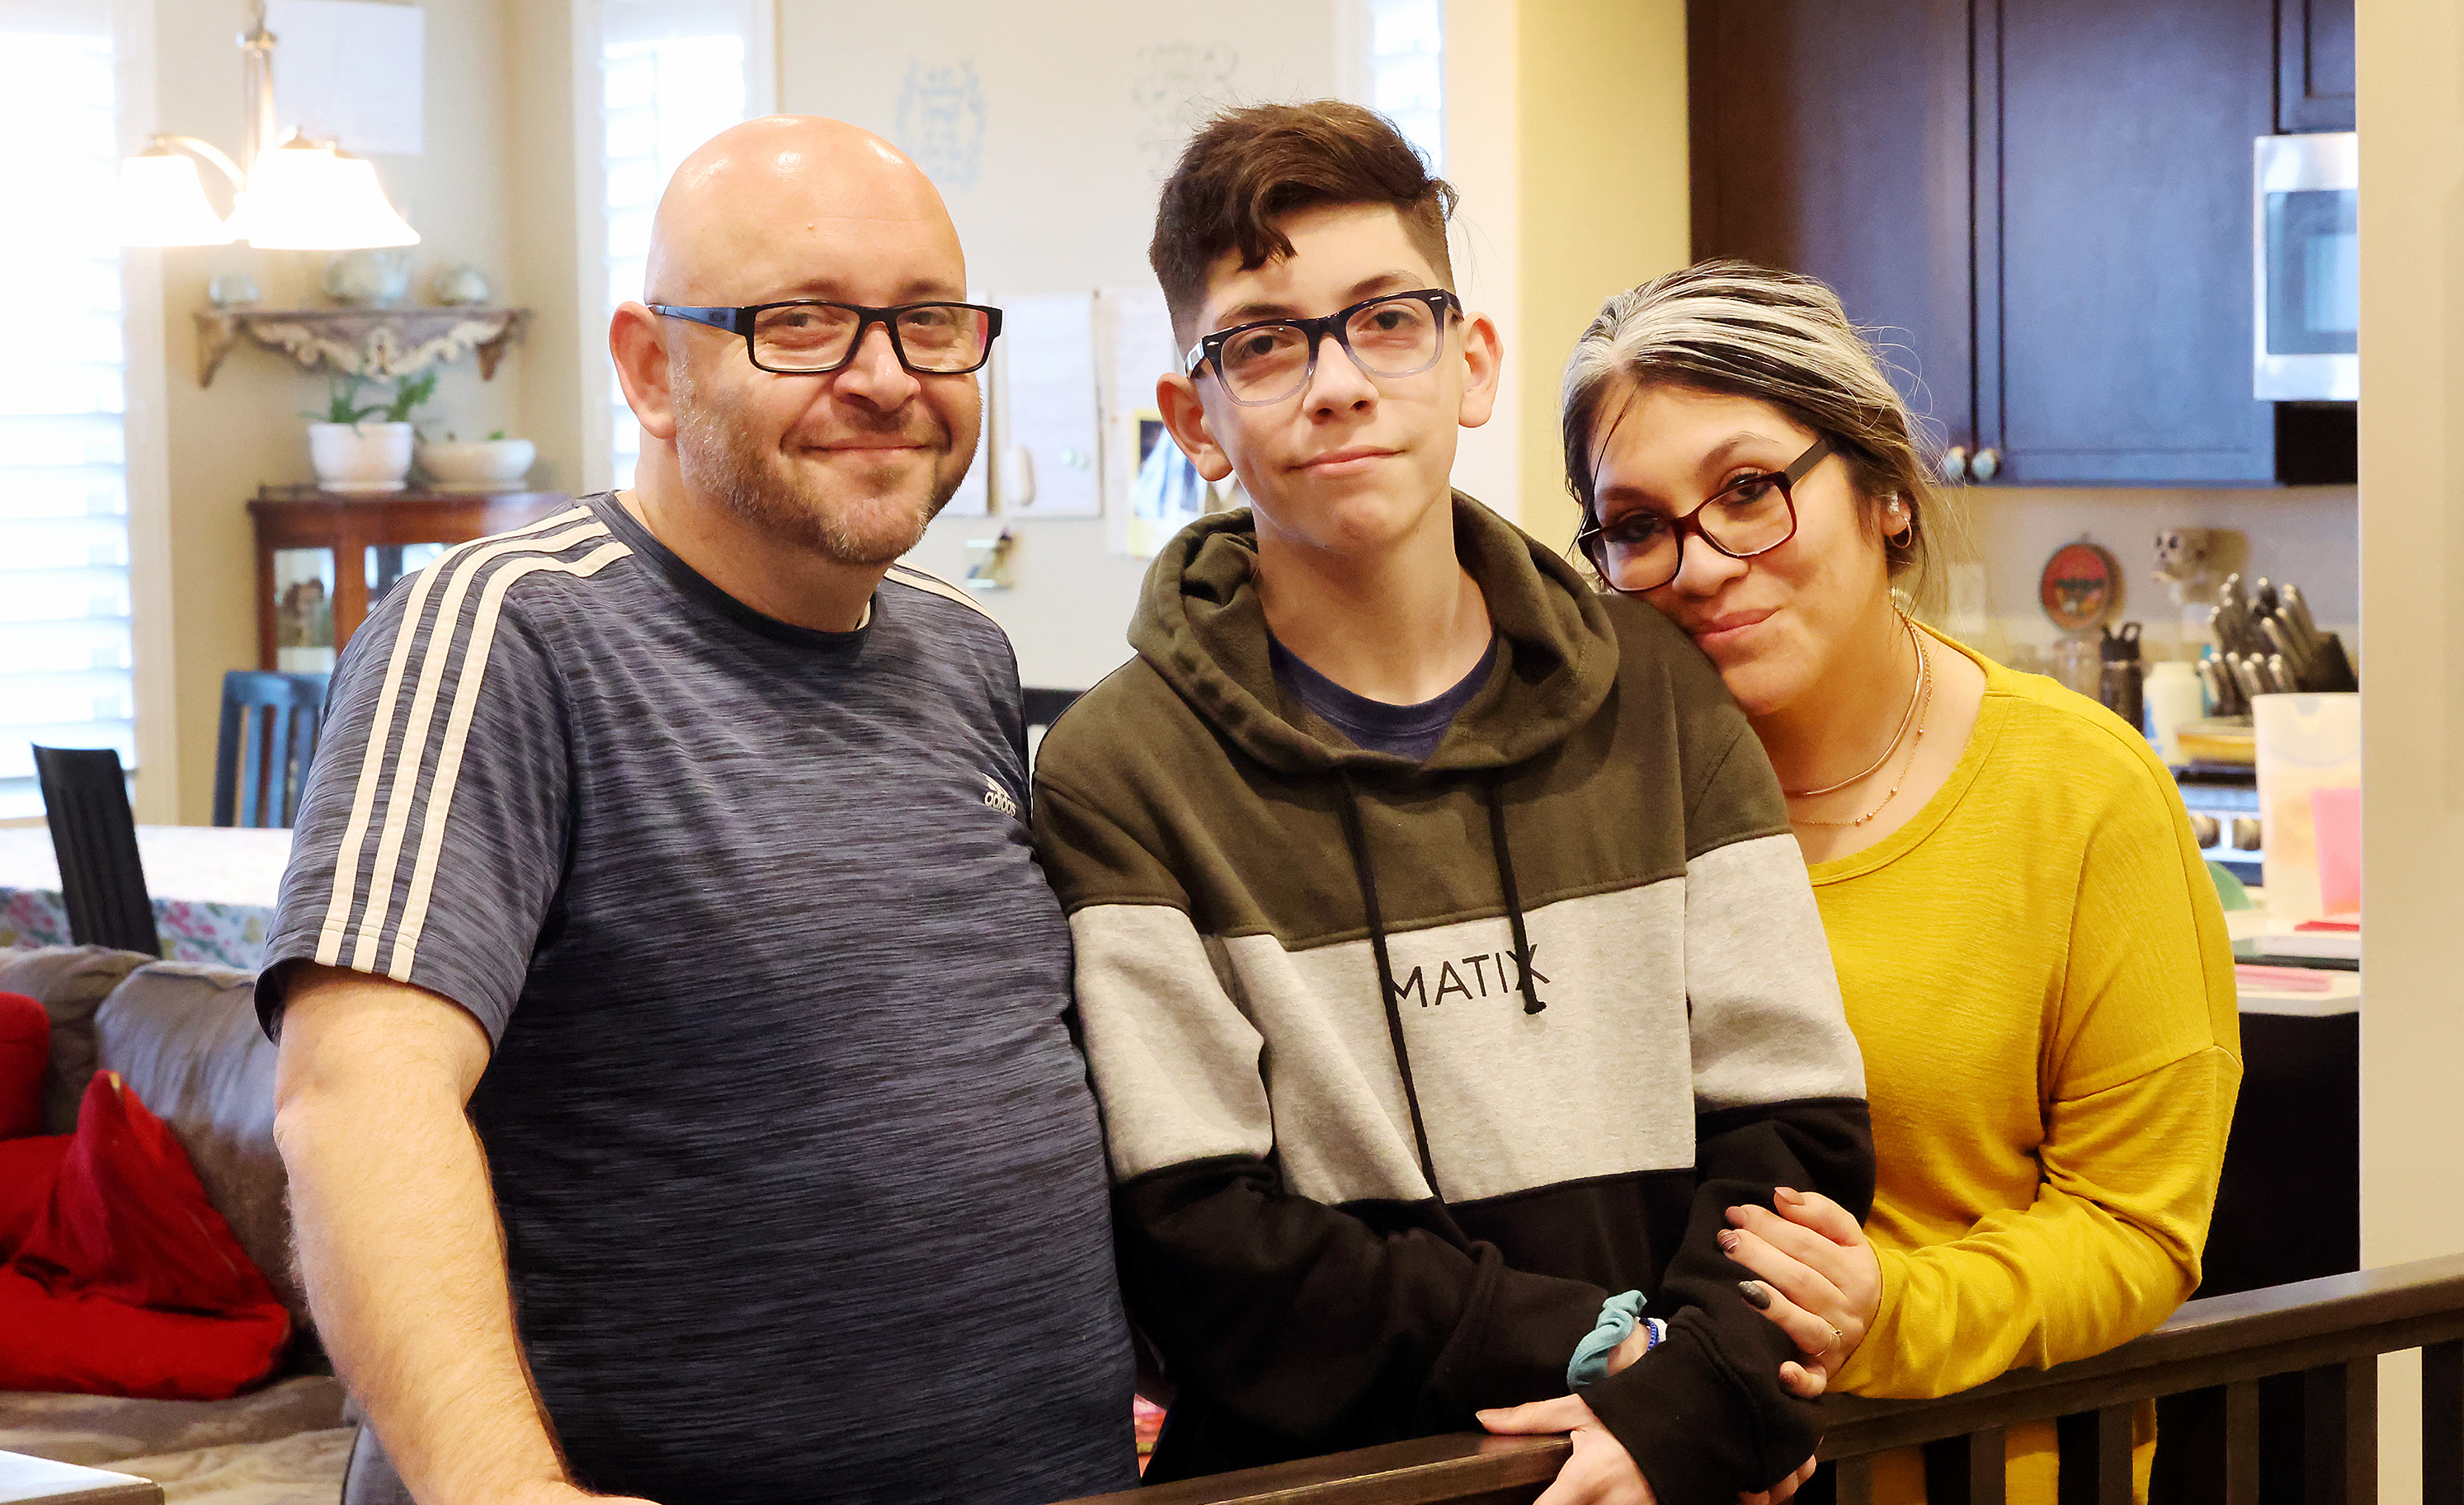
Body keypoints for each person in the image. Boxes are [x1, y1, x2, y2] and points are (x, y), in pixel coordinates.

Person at [261, 116, 1136, 1505]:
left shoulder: (964, 649)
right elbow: (356, 1096)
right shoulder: (503, 629)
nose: (885, 377)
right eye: (801, 323)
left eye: (928, 323)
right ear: (650, 365)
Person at [1029, 102, 1875, 1505]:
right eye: (1264, 341)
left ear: (1471, 364)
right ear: (1198, 421)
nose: (1340, 382)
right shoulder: (1123, 765)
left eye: (1386, 320)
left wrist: (1706, 1393)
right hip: (1356, 1481)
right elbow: (1194, 1236)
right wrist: (1614, 1347)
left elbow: (1791, 1124)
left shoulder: (1660, 691)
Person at [1557, 261, 2241, 1503]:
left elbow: (2141, 1228)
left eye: (1750, 491)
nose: (1701, 564)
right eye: (1641, 526)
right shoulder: (1582, 810)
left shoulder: (2080, 792)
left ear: (1881, 490)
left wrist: (1889, 1310)